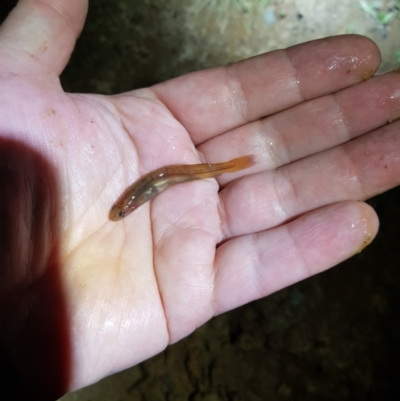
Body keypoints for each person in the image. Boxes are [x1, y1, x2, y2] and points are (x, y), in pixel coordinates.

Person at [0, 0, 399, 400]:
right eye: (123, 210)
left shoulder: (134, 198)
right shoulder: (131, 198)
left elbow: (152, 186)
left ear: (128, 206)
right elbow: (150, 186)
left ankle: (233, 163)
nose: (123, 210)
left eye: (123, 210)